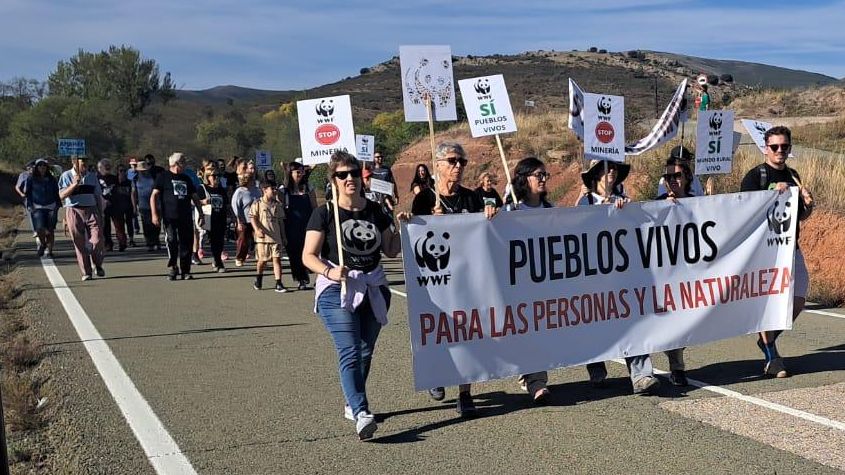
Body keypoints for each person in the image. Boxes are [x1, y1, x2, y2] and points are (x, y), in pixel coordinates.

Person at [302, 151, 402, 440]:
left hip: (373, 287)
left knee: (365, 350)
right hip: (337, 289)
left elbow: (391, 250)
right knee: (349, 350)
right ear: (333, 180)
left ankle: (351, 401)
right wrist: (330, 271)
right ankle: (361, 412)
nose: (350, 179)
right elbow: (308, 256)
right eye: (342, 174)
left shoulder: (376, 210)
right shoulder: (324, 213)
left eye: (354, 173)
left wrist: (399, 224)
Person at [411, 142, 497, 417]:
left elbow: (485, 233)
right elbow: (414, 235)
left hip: (466, 278)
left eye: (462, 161)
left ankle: (465, 393)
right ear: (437, 165)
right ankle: (436, 374)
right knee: (438, 331)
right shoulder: (425, 199)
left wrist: (490, 215)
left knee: (467, 334)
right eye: (452, 161)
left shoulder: (472, 198)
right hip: (436, 280)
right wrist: (427, 219)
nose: (458, 166)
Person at [577, 159, 661, 395]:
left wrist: (628, 211)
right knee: (595, 323)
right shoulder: (584, 202)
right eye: (606, 168)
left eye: (614, 168)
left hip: (624, 276)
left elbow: (642, 226)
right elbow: (574, 228)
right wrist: (597, 213)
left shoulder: (624, 200)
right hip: (594, 278)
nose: (612, 171)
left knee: (632, 321)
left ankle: (641, 375)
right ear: (596, 175)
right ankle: (596, 366)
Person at [740, 125, 814, 378]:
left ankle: (767, 339)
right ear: (765, 149)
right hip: (765, 250)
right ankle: (772, 357)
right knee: (768, 302)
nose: (779, 150)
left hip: (790, 247)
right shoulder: (755, 176)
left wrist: (808, 204)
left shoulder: (794, 175)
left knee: (798, 300)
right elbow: (743, 210)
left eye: (784, 146)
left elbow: (799, 216)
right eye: (774, 146)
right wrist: (770, 193)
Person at [508, 157, 554, 402]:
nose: (543, 179)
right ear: (524, 179)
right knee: (526, 331)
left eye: (545, 174)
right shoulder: (511, 212)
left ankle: (533, 377)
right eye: (538, 175)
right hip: (519, 285)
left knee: (541, 333)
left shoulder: (551, 210)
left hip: (546, 284)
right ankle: (535, 381)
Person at [654, 157, 697, 387]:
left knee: (687, 321)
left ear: (687, 177)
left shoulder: (698, 203)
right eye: (668, 176)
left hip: (693, 271)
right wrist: (664, 207)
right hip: (666, 273)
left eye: (677, 175)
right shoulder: (657, 203)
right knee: (672, 320)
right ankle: (676, 367)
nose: (672, 180)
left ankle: (675, 356)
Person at [150, 153, 205, 280]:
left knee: (186, 242)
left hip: (185, 216)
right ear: (176, 164)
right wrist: (154, 214)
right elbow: (154, 195)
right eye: (183, 162)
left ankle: (186, 270)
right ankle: (173, 267)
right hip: (169, 216)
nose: (185, 164)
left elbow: (195, 197)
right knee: (172, 240)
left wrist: (201, 213)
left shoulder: (186, 178)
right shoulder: (163, 177)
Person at [58, 155, 106, 280]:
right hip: (74, 209)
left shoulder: (92, 176)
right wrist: (74, 185)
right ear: (74, 162)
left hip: (91, 209)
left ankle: (97, 263)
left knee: (97, 239)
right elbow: (61, 195)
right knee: (79, 242)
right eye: (82, 161)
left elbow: (97, 195)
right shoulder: (66, 176)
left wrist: (100, 213)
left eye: (86, 160)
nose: (85, 163)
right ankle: (86, 272)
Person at [283, 161, 317, 290]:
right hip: (291, 226)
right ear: (290, 173)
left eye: (302, 171)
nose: (300, 174)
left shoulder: (308, 187)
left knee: (311, 251)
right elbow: (281, 209)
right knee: (295, 254)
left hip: (308, 225)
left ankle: (317, 277)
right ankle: (301, 279)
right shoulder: (284, 190)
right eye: (297, 172)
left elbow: (314, 206)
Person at [250, 180, 288, 292]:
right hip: (263, 239)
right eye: (272, 189)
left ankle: (279, 283)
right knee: (262, 261)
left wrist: (283, 237)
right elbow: (253, 218)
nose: (275, 191)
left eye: (276, 188)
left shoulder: (277, 205)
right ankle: (259, 278)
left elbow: (281, 222)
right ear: (264, 190)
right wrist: (257, 230)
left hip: (276, 238)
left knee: (277, 260)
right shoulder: (257, 203)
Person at [23, 159, 60, 257]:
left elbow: (56, 192)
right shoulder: (31, 178)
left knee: (50, 230)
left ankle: (50, 251)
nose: (42, 167)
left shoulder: (52, 179)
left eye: (44, 165)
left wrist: (57, 205)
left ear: (47, 167)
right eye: (40, 165)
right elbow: (28, 194)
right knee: (39, 228)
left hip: (51, 206)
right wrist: (30, 206)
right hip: (37, 207)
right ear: (36, 167)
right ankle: (43, 244)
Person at [197, 162, 228, 272]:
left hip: (221, 217)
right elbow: (193, 201)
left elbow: (227, 204)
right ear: (208, 177)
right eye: (214, 176)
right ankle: (218, 262)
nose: (216, 178)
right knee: (214, 241)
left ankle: (217, 260)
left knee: (220, 241)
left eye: (218, 176)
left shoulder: (221, 190)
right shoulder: (202, 188)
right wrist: (203, 202)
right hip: (209, 218)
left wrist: (232, 217)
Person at [231, 172, 261, 267]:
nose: (253, 180)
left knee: (259, 239)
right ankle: (240, 257)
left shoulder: (257, 190)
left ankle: (261, 256)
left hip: (257, 219)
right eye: (251, 179)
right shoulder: (239, 192)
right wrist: (238, 221)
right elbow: (235, 207)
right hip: (244, 219)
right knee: (243, 240)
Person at [132, 159, 161, 251]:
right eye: (141, 170)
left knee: (156, 223)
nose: (143, 172)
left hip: (156, 204)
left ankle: (156, 241)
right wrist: (134, 206)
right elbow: (133, 193)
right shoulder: (135, 178)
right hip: (143, 205)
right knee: (146, 224)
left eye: (144, 170)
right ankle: (150, 243)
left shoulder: (153, 177)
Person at [97, 159, 124, 252]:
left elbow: (120, 187)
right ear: (100, 168)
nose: (108, 168)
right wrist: (103, 201)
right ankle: (108, 244)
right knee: (105, 227)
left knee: (119, 225)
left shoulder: (114, 178)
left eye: (109, 166)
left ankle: (122, 243)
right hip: (102, 205)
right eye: (106, 166)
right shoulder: (96, 179)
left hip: (115, 205)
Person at [112, 163, 136, 249]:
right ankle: (122, 241)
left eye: (124, 171)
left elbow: (132, 194)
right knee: (120, 225)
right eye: (120, 171)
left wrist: (134, 207)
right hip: (118, 206)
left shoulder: (129, 182)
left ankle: (131, 239)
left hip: (128, 205)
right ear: (117, 172)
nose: (122, 172)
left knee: (130, 223)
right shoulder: (114, 182)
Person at [16, 161, 37, 240]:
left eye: (34, 167)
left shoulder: (38, 175)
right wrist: (21, 194)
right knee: (31, 214)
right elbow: (17, 187)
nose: (33, 169)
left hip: (39, 197)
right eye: (31, 167)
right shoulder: (23, 175)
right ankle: (35, 230)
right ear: (28, 168)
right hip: (28, 197)